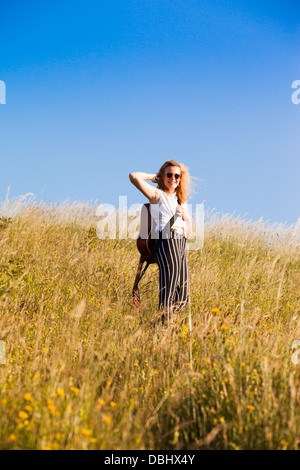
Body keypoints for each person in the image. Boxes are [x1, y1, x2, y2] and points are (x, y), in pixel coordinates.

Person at [129, 160, 192, 323]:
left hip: (181, 244)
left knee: (183, 299)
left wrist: (184, 218)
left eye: (177, 175)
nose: (173, 178)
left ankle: (160, 324)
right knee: (168, 294)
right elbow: (133, 176)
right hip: (167, 242)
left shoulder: (181, 200)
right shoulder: (157, 195)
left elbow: (190, 231)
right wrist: (152, 177)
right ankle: (162, 332)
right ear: (163, 176)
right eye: (169, 174)